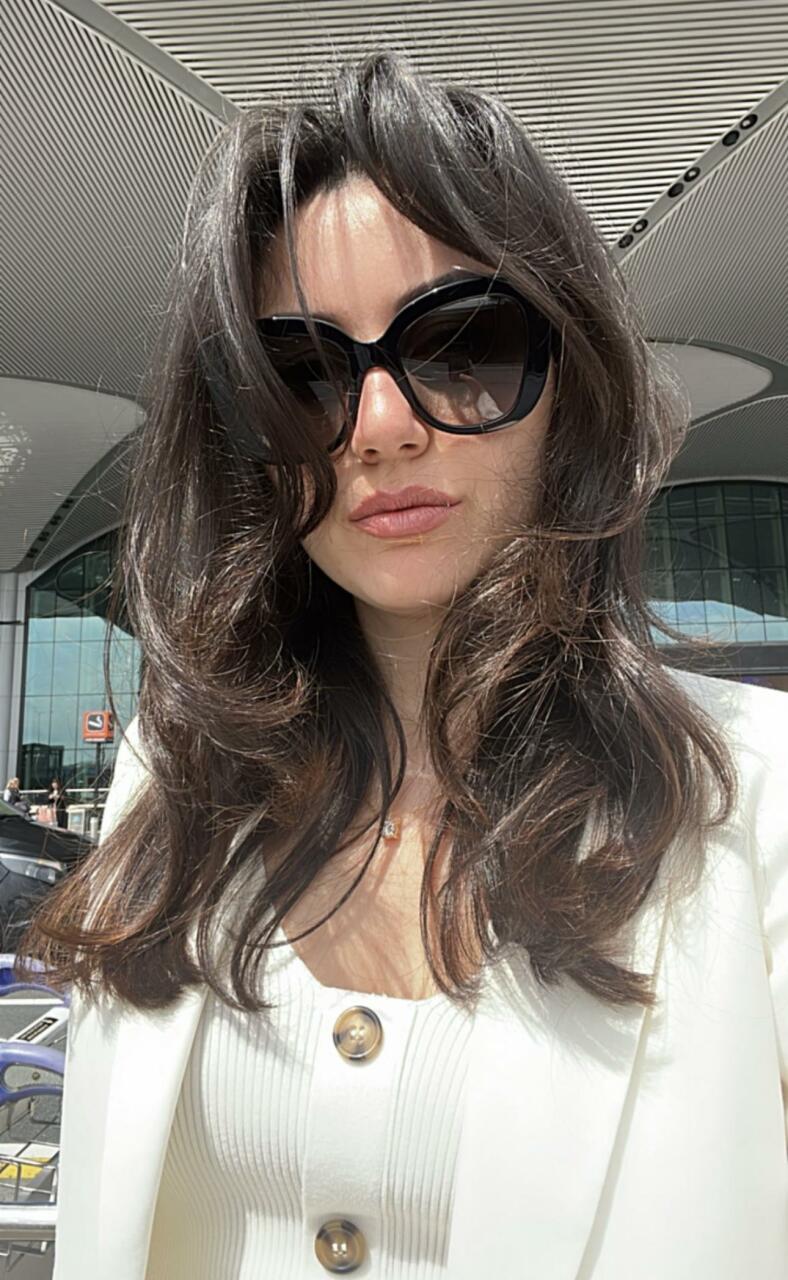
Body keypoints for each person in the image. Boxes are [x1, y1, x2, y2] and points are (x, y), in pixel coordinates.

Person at [19, 50, 786, 1280]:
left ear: (573, 382)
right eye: (304, 373)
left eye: (463, 345)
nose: (379, 427)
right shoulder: (180, 772)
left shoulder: (754, 800)